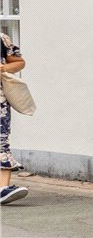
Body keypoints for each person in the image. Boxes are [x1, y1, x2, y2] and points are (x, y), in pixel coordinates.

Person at [0, 31, 25, 205]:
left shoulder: (2, 39)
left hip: (0, 101)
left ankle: (3, 189)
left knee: (1, 142)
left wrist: (3, 68)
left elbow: (19, 62)